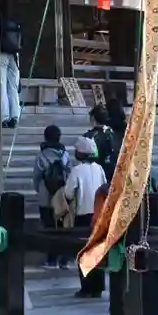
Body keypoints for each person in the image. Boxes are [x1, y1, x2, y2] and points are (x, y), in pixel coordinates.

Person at [62, 136, 109, 298]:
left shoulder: (76, 170)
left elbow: (68, 193)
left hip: (83, 216)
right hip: (99, 214)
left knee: (83, 252)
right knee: (98, 251)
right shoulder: (99, 168)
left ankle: (86, 287)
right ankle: (98, 287)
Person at [33, 124, 73, 269]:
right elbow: (69, 173)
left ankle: (51, 259)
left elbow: (36, 177)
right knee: (63, 227)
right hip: (62, 196)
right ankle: (64, 259)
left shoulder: (41, 156)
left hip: (45, 196)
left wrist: (40, 190)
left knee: (48, 227)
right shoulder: (65, 155)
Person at [0, 15, 22, 128]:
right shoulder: (14, 24)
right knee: (13, 86)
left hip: (2, 53)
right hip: (14, 54)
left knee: (2, 85)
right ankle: (15, 116)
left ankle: (4, 117)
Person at [84, 105, 118, 180]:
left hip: (94, 175)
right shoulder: (113, 134)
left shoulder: (88, 136)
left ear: (93, 118)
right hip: (112, 173)